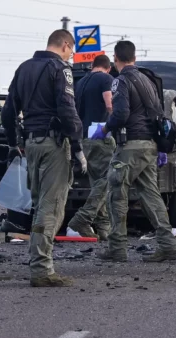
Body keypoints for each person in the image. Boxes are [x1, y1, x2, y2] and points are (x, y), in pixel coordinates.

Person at [1, 29, 87, 288]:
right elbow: (67, 108)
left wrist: (13, 143)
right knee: (52, 206)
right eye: (71, 50)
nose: (71, 55)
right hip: (54, 144)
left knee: (40, 205)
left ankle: (37, 262)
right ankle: (41, 269)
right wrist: (78, 146)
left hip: (32, 144)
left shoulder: (24, 68)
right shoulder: (61, 69)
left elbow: (8, 111)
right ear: (64, 44)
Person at [93, 41, 176, 263]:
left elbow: (121, 114)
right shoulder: (148, 80)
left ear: (116, 58)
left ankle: (117, 248)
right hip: (149, 145)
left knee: (116, 193)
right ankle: (168, 245)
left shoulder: (120, 81)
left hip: (130, 146)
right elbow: (158, 111)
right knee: (151, 196)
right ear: (134, 57)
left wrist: (104, 129)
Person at [66, 54, 115, 240]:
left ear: (93, 65)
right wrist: (117, 122)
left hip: (84, 137)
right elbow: (110, 104)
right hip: (100, 134)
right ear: (108, 67)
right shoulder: (106, 79)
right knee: (109, 179)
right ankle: (82, 218)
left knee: (97, 184)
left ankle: (103, 228)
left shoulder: (81, 82)